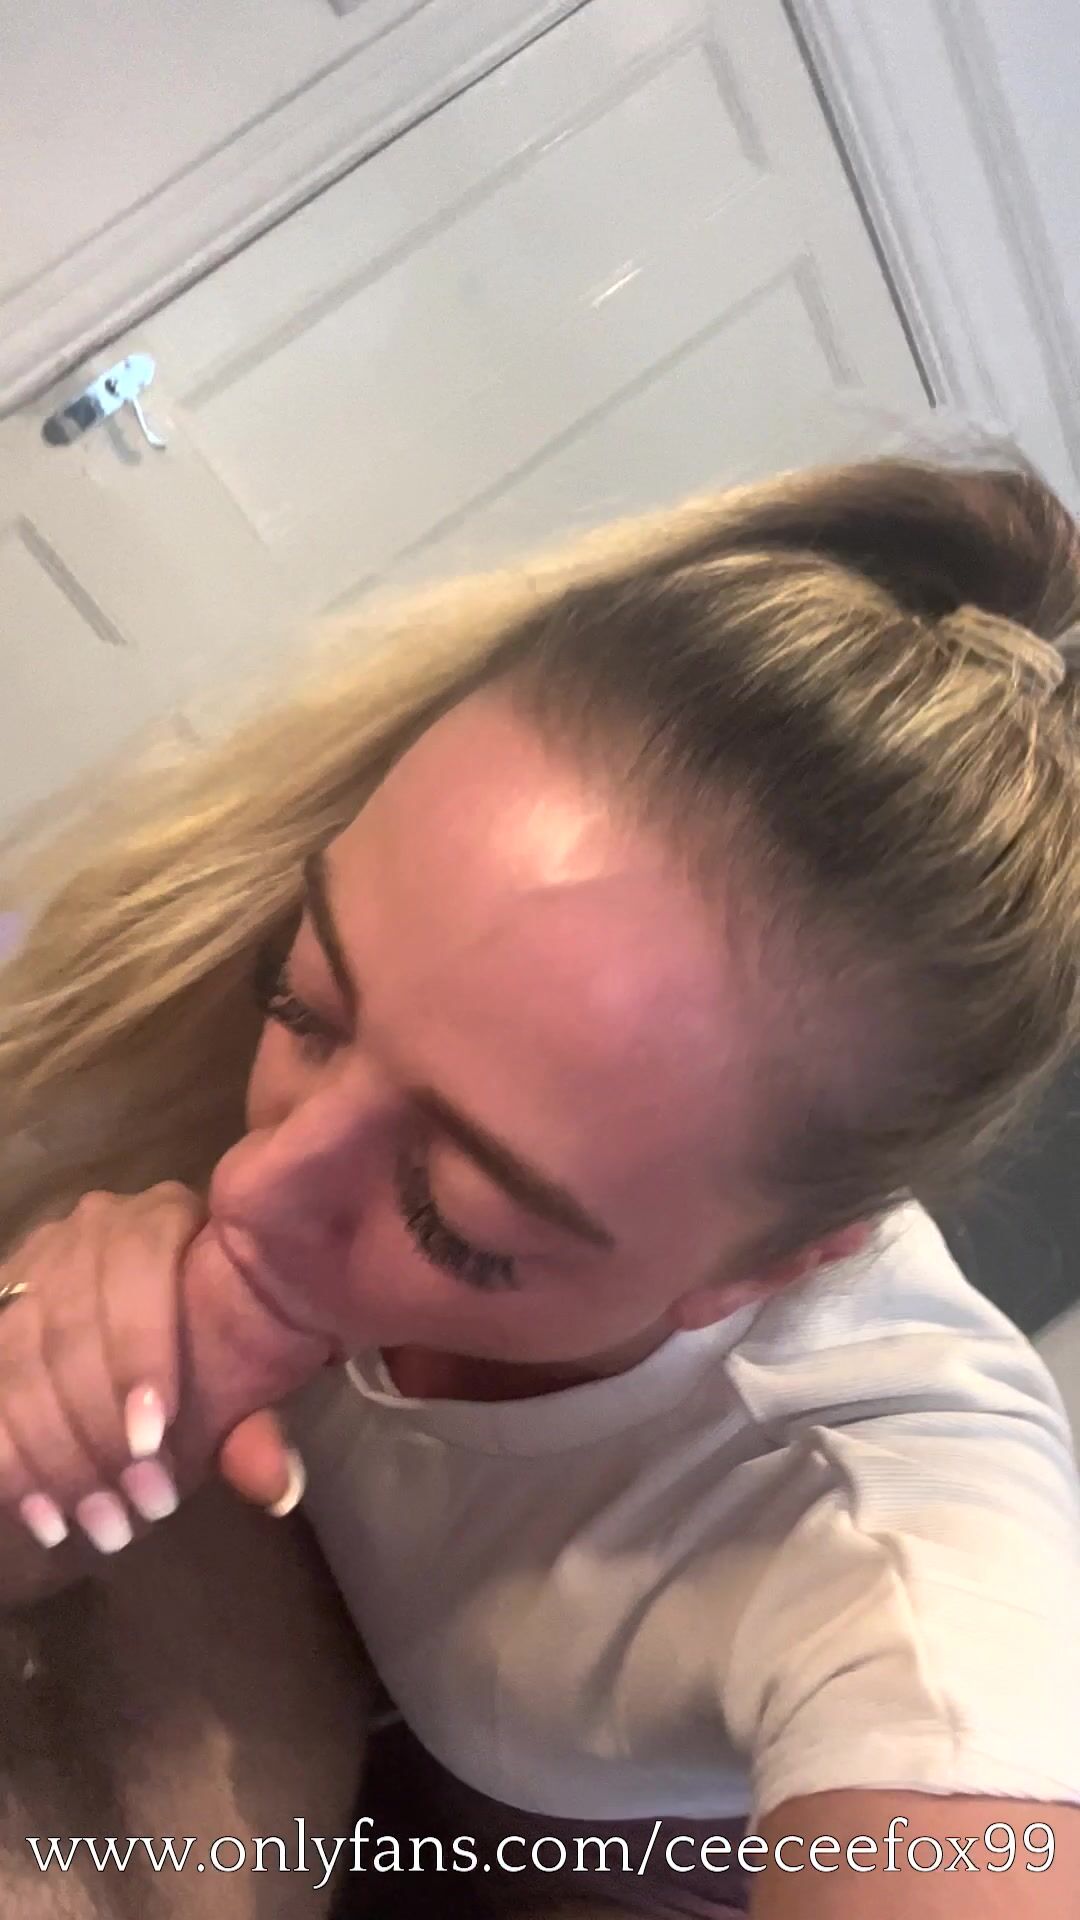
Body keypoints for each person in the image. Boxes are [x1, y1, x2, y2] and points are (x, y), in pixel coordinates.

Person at [1, 456, 1079, 1920]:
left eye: (457, 1217)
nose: (252, 1188)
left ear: (775, 1265)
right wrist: (42, 1418)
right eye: (303, 1000)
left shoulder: (896, 1555)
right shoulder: (291, 1116)